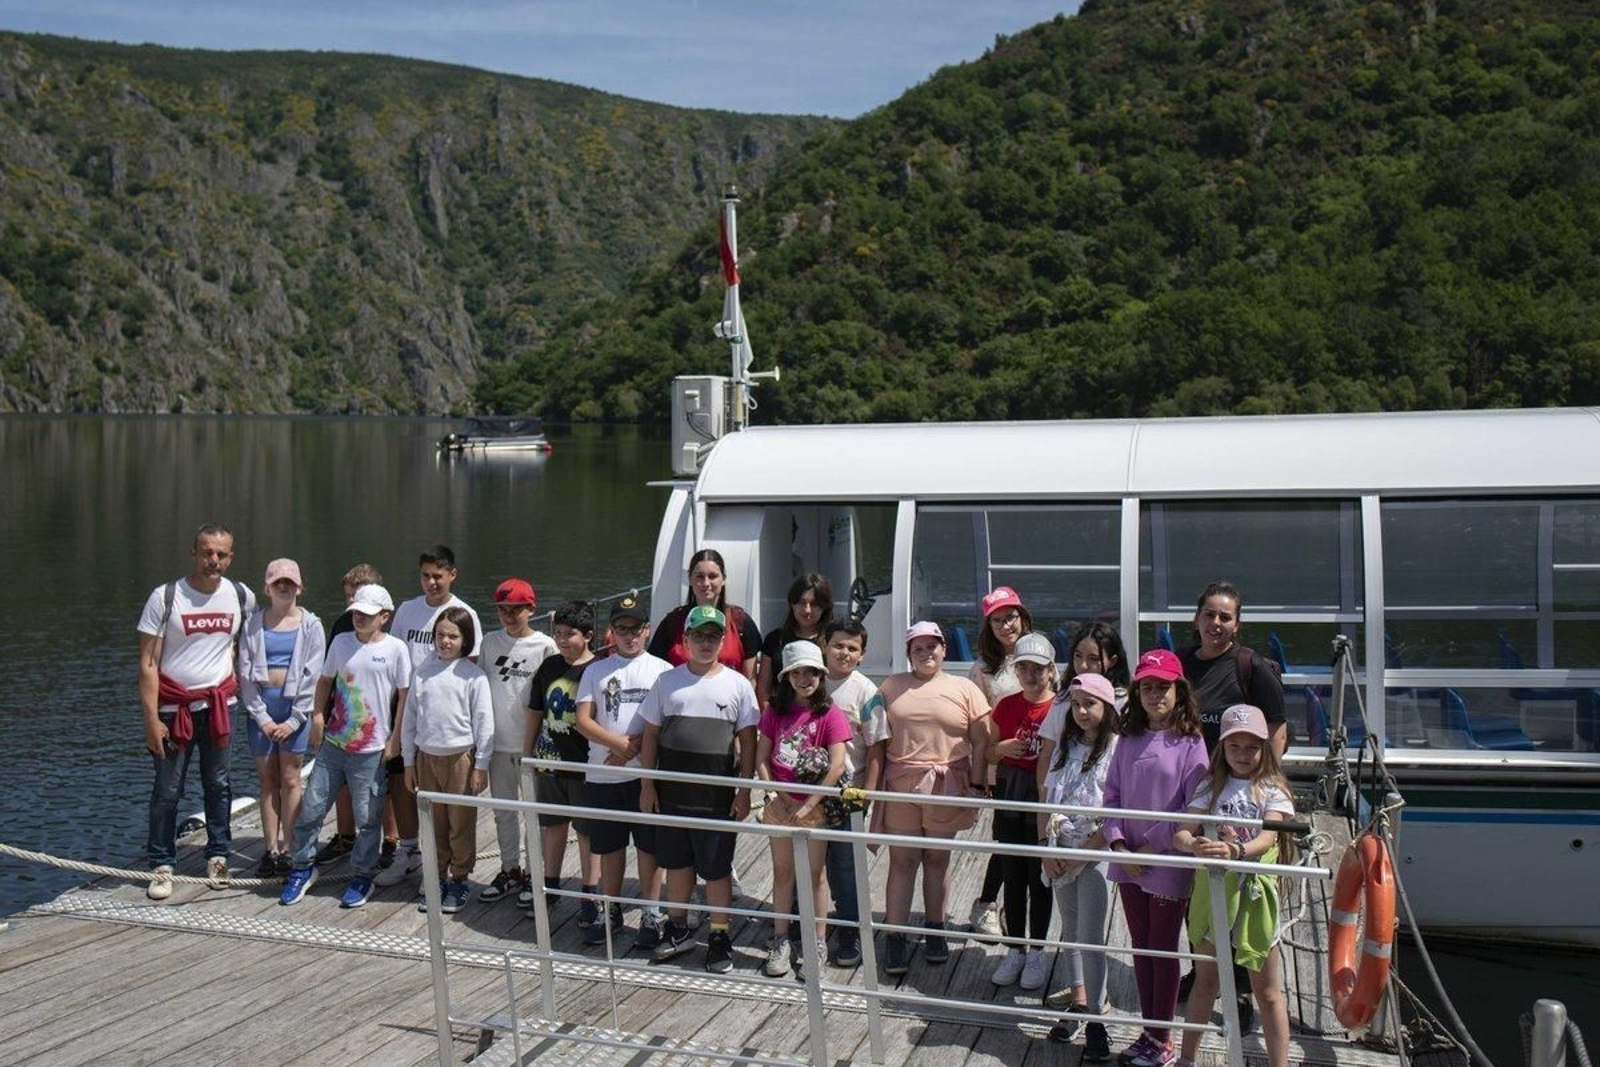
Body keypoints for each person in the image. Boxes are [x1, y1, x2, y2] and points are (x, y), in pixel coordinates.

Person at [136, 523, 256, 900]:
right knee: (168, 789)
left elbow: (247, 647)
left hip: (221, 706)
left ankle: (218, 855)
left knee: (218, 784)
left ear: (231, 557)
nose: (213, 560)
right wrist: (151, 719)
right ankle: (161, 862)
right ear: (194, 552)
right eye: (207, 552)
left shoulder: (241, 596)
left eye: (221, 554)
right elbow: (147, 663)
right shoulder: (167, 597)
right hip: (174, 708)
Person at [638, 605, 760, 974]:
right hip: (672, 792)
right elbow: (651, 736)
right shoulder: (666, 681)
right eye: (698, 636)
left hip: (715, 796)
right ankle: (678, 927)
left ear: (723, 641)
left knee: (717, 869)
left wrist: (743, 790)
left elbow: (749, 742)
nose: (705, 643)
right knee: (676, 865)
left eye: (713, 636)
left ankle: (720, 934)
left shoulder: (738, 684)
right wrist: (647, 784)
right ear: (685, 640)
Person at [1103, 649, 1209, 1067]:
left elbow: (1193, 807)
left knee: (1163, 949)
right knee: (1141, 948)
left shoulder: (1191, 743)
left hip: (1165, 861)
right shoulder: (1127, 738)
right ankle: (1149, 1033)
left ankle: (1161, 1037)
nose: (1154, 694)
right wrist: (1117, 844)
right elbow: (1110, 796)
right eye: (1147, 686)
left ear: (1178, 691)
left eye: (1162, 687)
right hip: (1128, 859)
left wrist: (1149, 844)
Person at [1173, 705, 1295, 1067]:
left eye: (1251, 747)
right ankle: (1187, 1058)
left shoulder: (1272, 789)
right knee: (1205, 979)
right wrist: (1193, 844)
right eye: (1234, 747)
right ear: (1222, 748)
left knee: (1267, 991)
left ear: (1264, 748)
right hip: (1214, 895)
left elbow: (1269, 837)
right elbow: (1180, 831)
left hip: (1254, 896)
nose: (1243, 755)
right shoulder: (1210, 785)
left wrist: (1235, 849)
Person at [867, 621, 990, 976]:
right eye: (918, 648)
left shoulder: (965, 688)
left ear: (944, 649)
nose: (926, 653)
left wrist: (978, 784)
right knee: (902, 861)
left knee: (938, 860)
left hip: (948, 785)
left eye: (932, 645)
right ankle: (895, 935)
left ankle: (935, 929)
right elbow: (875, 736)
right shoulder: (891, 686)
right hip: (901, 785)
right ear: (908, 654)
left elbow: (981, 739)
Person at [280, 584, 411, 909]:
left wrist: (395, 737)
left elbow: (405, 695)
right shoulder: (340, 642)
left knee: (368, 817)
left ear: (384, 616)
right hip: (334, 746)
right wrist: (319, 717)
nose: (359, 618)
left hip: (372, 750)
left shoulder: (396, 649)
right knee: (311, 809)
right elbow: (325, 681)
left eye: (367, 615)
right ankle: (302, 868)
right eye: (355, 612)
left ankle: (362, 874)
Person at [380, 545, 483, 890]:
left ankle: (456, 873)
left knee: (456, 813)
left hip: (452, 731)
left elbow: (473, 669)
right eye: (425, 575)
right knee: (405, 789)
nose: (431, 582)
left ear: (452, 575)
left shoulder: (464, 613)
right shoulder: (407, 611)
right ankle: (410, 853)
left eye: (438, 575)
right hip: (410, 711)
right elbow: (394, 659)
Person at [575, 595, 672, 949]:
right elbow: (583, 719)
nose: (629, 635)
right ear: (611, 632)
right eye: (621, 628)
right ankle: (610, 908)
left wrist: (633, 746)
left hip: (645, 776)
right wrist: (618, 746)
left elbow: (662, 722)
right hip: (603, 775)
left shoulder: (662, 670)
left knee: (649, 848)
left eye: (635, 628)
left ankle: (651, 909)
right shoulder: (596, 670)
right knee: (609, 847)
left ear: (646, 629)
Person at [756, 641, 852, 978]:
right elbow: (762, 759)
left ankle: (817, 943)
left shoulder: (829, 713)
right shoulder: (774, 712)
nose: (804, 678)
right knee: (783, 873)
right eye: (796, 672)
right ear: (787, 677)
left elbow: (837, 765)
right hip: (781, 805)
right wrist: (778, 798)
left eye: (811, 672)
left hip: (815, 806)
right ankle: (781, 939)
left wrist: (809, 802)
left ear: (821, 675)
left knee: (814, 875)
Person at [1040, 672, 1120, 1061]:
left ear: (1107, 708)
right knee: (1069, 931)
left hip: (1093, 853)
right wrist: (1045, 847)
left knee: (1090, 937)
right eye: (1076, 704)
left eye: (1090, 703)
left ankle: (1097, 1020)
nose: (1082, 711)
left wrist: (1082, 853)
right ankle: (1079, 999)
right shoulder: (1064, 747)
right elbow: (1047, 797)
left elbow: (1115, 812)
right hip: (1060, 847)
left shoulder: (1117, 749)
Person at [237, 558, 326, 878]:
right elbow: (245, 677)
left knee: (291, 779)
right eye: (277, 582)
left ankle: (290, 848)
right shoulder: (252, 624)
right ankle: (270, 849)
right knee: (267, 781)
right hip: (261, 710)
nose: (284, 587)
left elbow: (312, 676)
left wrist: (294, 719)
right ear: (267, 588)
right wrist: (261, 717)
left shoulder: (311, 625)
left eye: (289, 582)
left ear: (300, 587)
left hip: (294, 713)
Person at [402, 607, 493, 913]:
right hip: (427, 757)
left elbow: (484, 722)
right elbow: (410, 720)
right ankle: (436, 877)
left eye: (453, 636)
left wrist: (481, 763)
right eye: (440, 635)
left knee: (460, 823)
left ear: (465, 639)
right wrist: (408, 762)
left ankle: (460, 878)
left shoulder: (474, 676)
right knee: (433, 824)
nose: (445, 641)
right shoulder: (423, 673)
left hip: (460, 759)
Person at [476, 578, 557, 905]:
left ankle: (535, 874)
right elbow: (479, 692)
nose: (509, 616)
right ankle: (510, 869)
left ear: (531, 609)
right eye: (503, 610)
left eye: (516, 609)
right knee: (504, 812)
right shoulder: (488, 643)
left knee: (533, 815)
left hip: (532, 746)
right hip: (498, 744)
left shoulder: (545, 646)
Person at [986, 632, 1056, 992]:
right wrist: (1002, 749)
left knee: (1039, 877)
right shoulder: (1005, 705)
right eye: (1023, 667)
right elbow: (988, 753)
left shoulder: (1060, 707)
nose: (1030, 674)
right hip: (1011, 791)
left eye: (1037, 668)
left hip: (1042, 796)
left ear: (1051, 671)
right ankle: (1016, 947)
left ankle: (1038, 951)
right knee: (1012, 874)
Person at [527, 600, 601, 929]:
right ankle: (549, 886)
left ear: (588, 636)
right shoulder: (548, 668)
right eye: (557, 633)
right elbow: (534, 712)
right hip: (549, 761)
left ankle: (590, 893)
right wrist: (526, 753)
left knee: (587, 833)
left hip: (584, 766)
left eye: (569, 634)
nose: (562, 640)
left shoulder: (598, 669)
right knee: (553, 827)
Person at [819, 618, 887, 967]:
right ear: (823, 644)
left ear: (861, 655)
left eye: (852, 648)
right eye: (838, 645)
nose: (844, 653)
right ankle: (809, 920)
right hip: (809, 790)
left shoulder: (867, 692)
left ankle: (849, 927)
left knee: (846, 865)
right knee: (812, 860)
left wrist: (867, 793)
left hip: (849, 791)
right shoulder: (809, 680)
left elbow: (876, 748)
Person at [968, 585, 1033, 939]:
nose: (1006, 626)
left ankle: (1012, 905)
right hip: (1002, 765)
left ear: (1022, 617)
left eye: (1010, 617)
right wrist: (982, 770)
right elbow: (977, 725)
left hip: (1036, 761)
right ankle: (986, 903)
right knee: (1007, 838)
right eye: (997, 621)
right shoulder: (983, 669)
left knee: (1028, 837)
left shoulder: (1041, 656)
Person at [314, 563, 384, 869]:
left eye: (354, 596)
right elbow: (330, 676)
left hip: (375, 720)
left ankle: (390, 841)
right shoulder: (342, 627)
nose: (350, 605)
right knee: (342, 782)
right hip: (341, 716)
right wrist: (322, 714)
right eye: (346, 598)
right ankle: (345, 836)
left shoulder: (382, 631)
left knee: (381, 786)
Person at [1179, 581, 1287, 755]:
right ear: (1197, 619)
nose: (1216, 622)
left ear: (1236, 625)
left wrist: (1268, 779)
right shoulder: (1179, 663)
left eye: (1225, 617)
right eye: (1209, 614)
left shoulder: (1252, 666)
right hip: (1184, 774)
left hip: (1233, 777)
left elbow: (1277, 733)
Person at [1037, 620, 1130, 787]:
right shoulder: (1064, 698)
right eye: (1078, 656)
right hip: (1063, 799)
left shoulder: (1122, 701)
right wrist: (1043, 808)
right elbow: (1047, 754)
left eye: (1093, 659)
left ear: (1113, 661)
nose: (1083, 665)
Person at [648, 548, 762, 678]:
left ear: (723, 579)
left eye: (713, 576)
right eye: (700, 576)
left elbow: (750, 679)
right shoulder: (672, 623)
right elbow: (654, 670)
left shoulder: (741, 622)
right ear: (690, 579)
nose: (706, 583)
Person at [755, 573, 834, 707]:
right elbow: (764, 691)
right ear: (792, 604)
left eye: (814, 604)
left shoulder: (832, 640)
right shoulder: (774, 640)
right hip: (781, 720)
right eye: (801, 602)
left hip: (821, 719)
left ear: (824, 606)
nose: (807, 609)